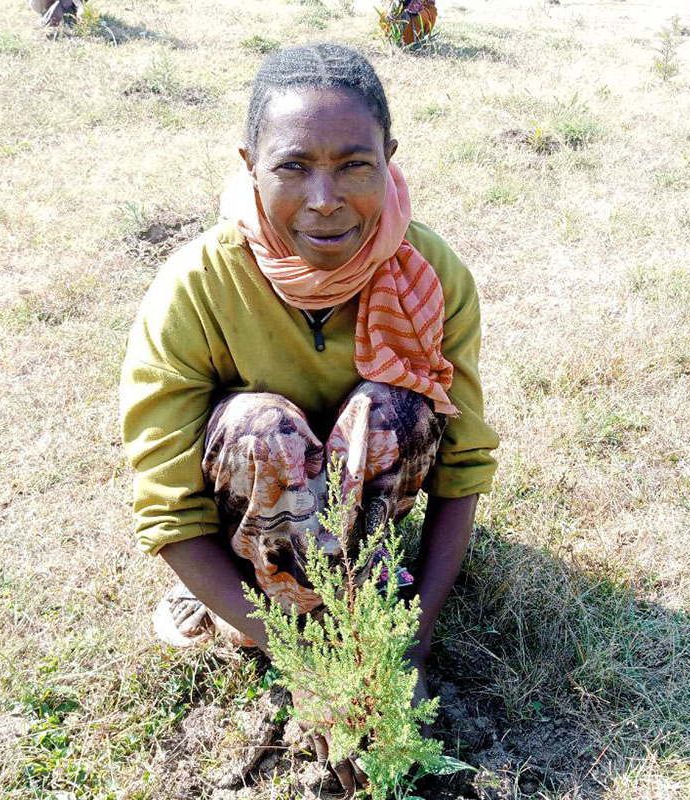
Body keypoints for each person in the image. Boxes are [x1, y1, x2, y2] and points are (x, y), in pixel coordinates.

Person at [119, 43, 498, 786]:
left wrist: (410, 646)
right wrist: (303, 660)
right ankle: (281, 605)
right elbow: (167, 510)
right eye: (293, 166)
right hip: (255, 533)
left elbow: (464, 465)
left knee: (392, 408)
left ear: (389, 159)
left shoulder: (430, 272)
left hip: (373, 514)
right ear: (249, 165)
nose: (325, 198)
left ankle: (368, 598)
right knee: (263, 429)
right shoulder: (196, 286)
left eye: (355, 165)